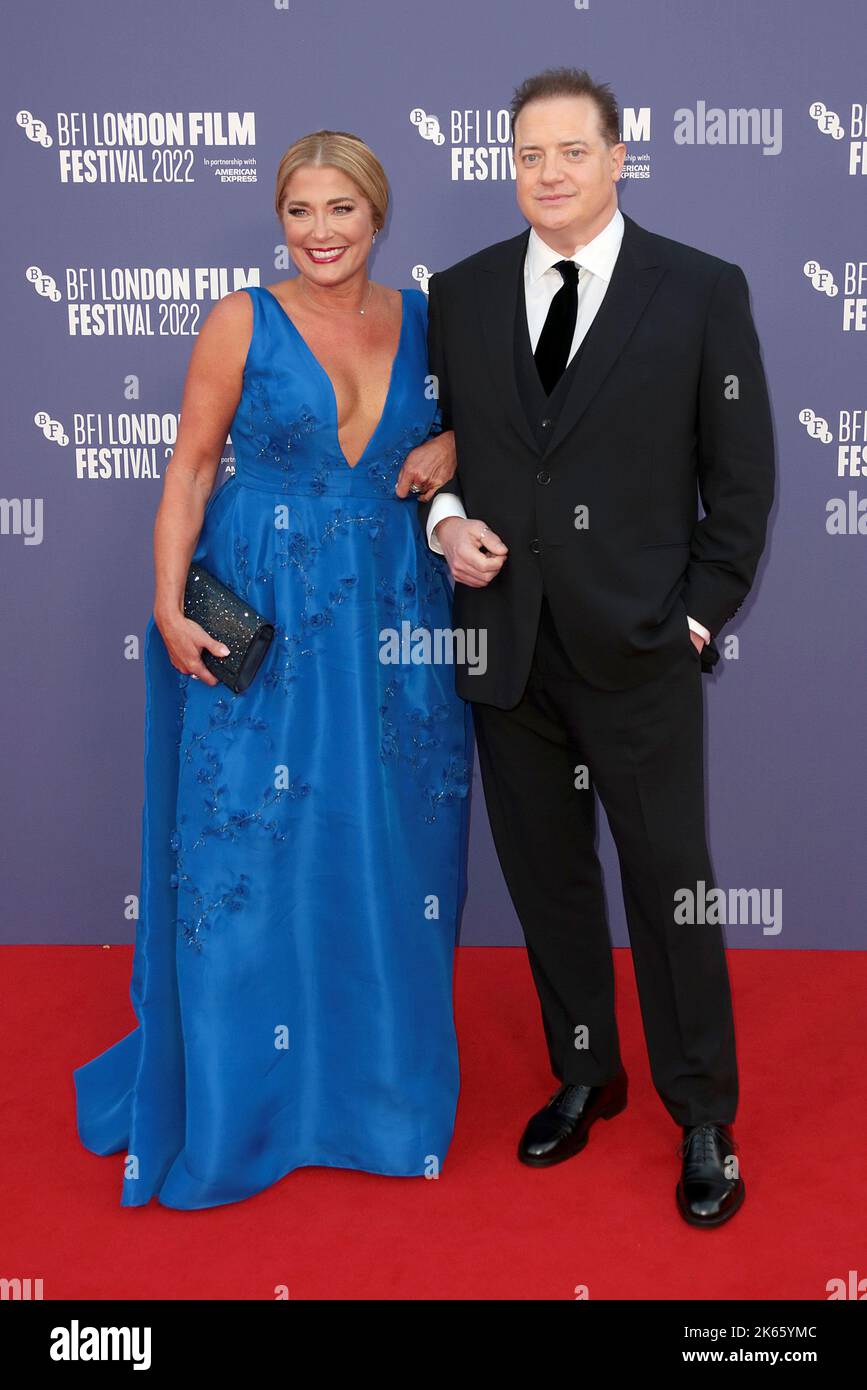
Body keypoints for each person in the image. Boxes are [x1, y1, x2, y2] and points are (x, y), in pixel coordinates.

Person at [73, 130, 474, 1210]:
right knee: (244, 852)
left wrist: (451, 451)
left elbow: (486, 435)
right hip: (263, 606)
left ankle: (375, 1102)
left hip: (392, 618)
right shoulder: (239, 319)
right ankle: (247, 1110)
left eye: (342, 209)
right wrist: (166, 599)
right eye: (301, 210)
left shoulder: (430, 320)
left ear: (378, 215)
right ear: (279, 219)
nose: (321, 231)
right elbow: (193, 464)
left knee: (390, 849)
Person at [418, 68, 775, 1227]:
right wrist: (443, 521)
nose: (550, 173)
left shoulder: (700, 290)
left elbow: (744, 476)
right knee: (550, 881)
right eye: (529, 155)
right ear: (508, 164)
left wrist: (693, 614)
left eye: (572, 151)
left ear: (619, 157)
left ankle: (703, 1114)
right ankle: (587, 1069)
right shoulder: (463, 293)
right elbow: (441, 447)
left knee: (672, 888)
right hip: (508, 645)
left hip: (638, 653)